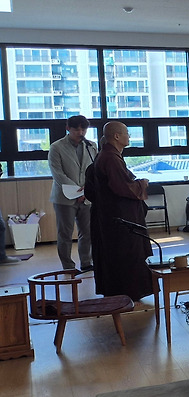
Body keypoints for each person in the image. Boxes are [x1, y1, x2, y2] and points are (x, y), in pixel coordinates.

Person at [84, 121, 151, 301]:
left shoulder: (107, 156)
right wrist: (142, 184)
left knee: (115, 255)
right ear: (116, 136)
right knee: (126, 254)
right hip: (118, 218)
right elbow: (123, 187)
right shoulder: (110, 158)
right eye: (127, 133)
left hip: (109, 216)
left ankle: (119, 292)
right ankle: (127, 292)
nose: (129, 136)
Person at [48, 115, 97, 270]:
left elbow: (95, 170)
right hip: (64, 197)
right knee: (65, 234)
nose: (80, 133)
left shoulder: (91, 146)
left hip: (87, 197)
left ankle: (86, 262)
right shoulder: (56, 147)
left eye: (84, 129)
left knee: (87, 232)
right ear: (68, 128)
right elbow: (58, 173)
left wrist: (87, 189)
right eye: (76, 129)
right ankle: (68, 266)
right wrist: (77, 191)